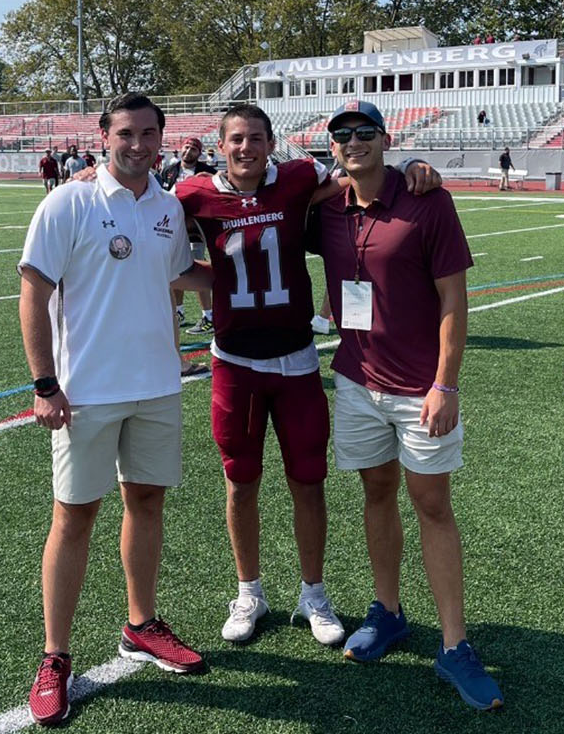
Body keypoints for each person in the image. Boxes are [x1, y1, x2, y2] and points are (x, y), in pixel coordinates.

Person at [174, 102, 443, 649]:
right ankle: (249, 590)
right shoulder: (194, 194)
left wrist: (412, 162)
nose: (245, 147)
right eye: (235, 139)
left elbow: (356, 178)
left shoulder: (299, 178)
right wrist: (91, 176)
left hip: (297, 360)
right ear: (220, 146)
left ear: (272, 143)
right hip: (235, 361)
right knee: (241, 480)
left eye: (255, 138)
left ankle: (313, 592)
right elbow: (146, 215)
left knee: (307, 480)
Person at [19, 93, 214, 727]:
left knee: (147, 503)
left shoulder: (166, 207)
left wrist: (269, 261)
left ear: (163, 138)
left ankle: (141, 622)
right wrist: (45, 383)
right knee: (74, 519)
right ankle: (54, 656)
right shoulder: (68, 201)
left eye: (149, 134)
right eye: (126, 133)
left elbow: (185, 275)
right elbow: (34, 291)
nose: (138, 144)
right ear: (103, 136)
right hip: (86, 394)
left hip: (157, 385)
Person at [312, 102, 502, 711]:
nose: (354, 141)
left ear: (386, 139)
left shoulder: (427, 200)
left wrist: (446, 384)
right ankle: (388, 610)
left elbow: (454, 299)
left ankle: (455, 644)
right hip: (356, 381)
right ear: (333, 147)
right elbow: (252, 196)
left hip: (420, 387)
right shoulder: (327, 207)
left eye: (365, 132)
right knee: (375, 492)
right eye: (342, 135)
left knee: (433, 504)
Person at [159, 136, 218, 348]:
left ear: (199, 153)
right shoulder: (169, 170)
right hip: (173, 228)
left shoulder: (207, 172)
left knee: (195, 269)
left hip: (197, 229)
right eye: (186, 146)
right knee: (174, 271)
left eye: (194, 148)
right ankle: (179, 312)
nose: (188, 151)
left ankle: (208, 316)